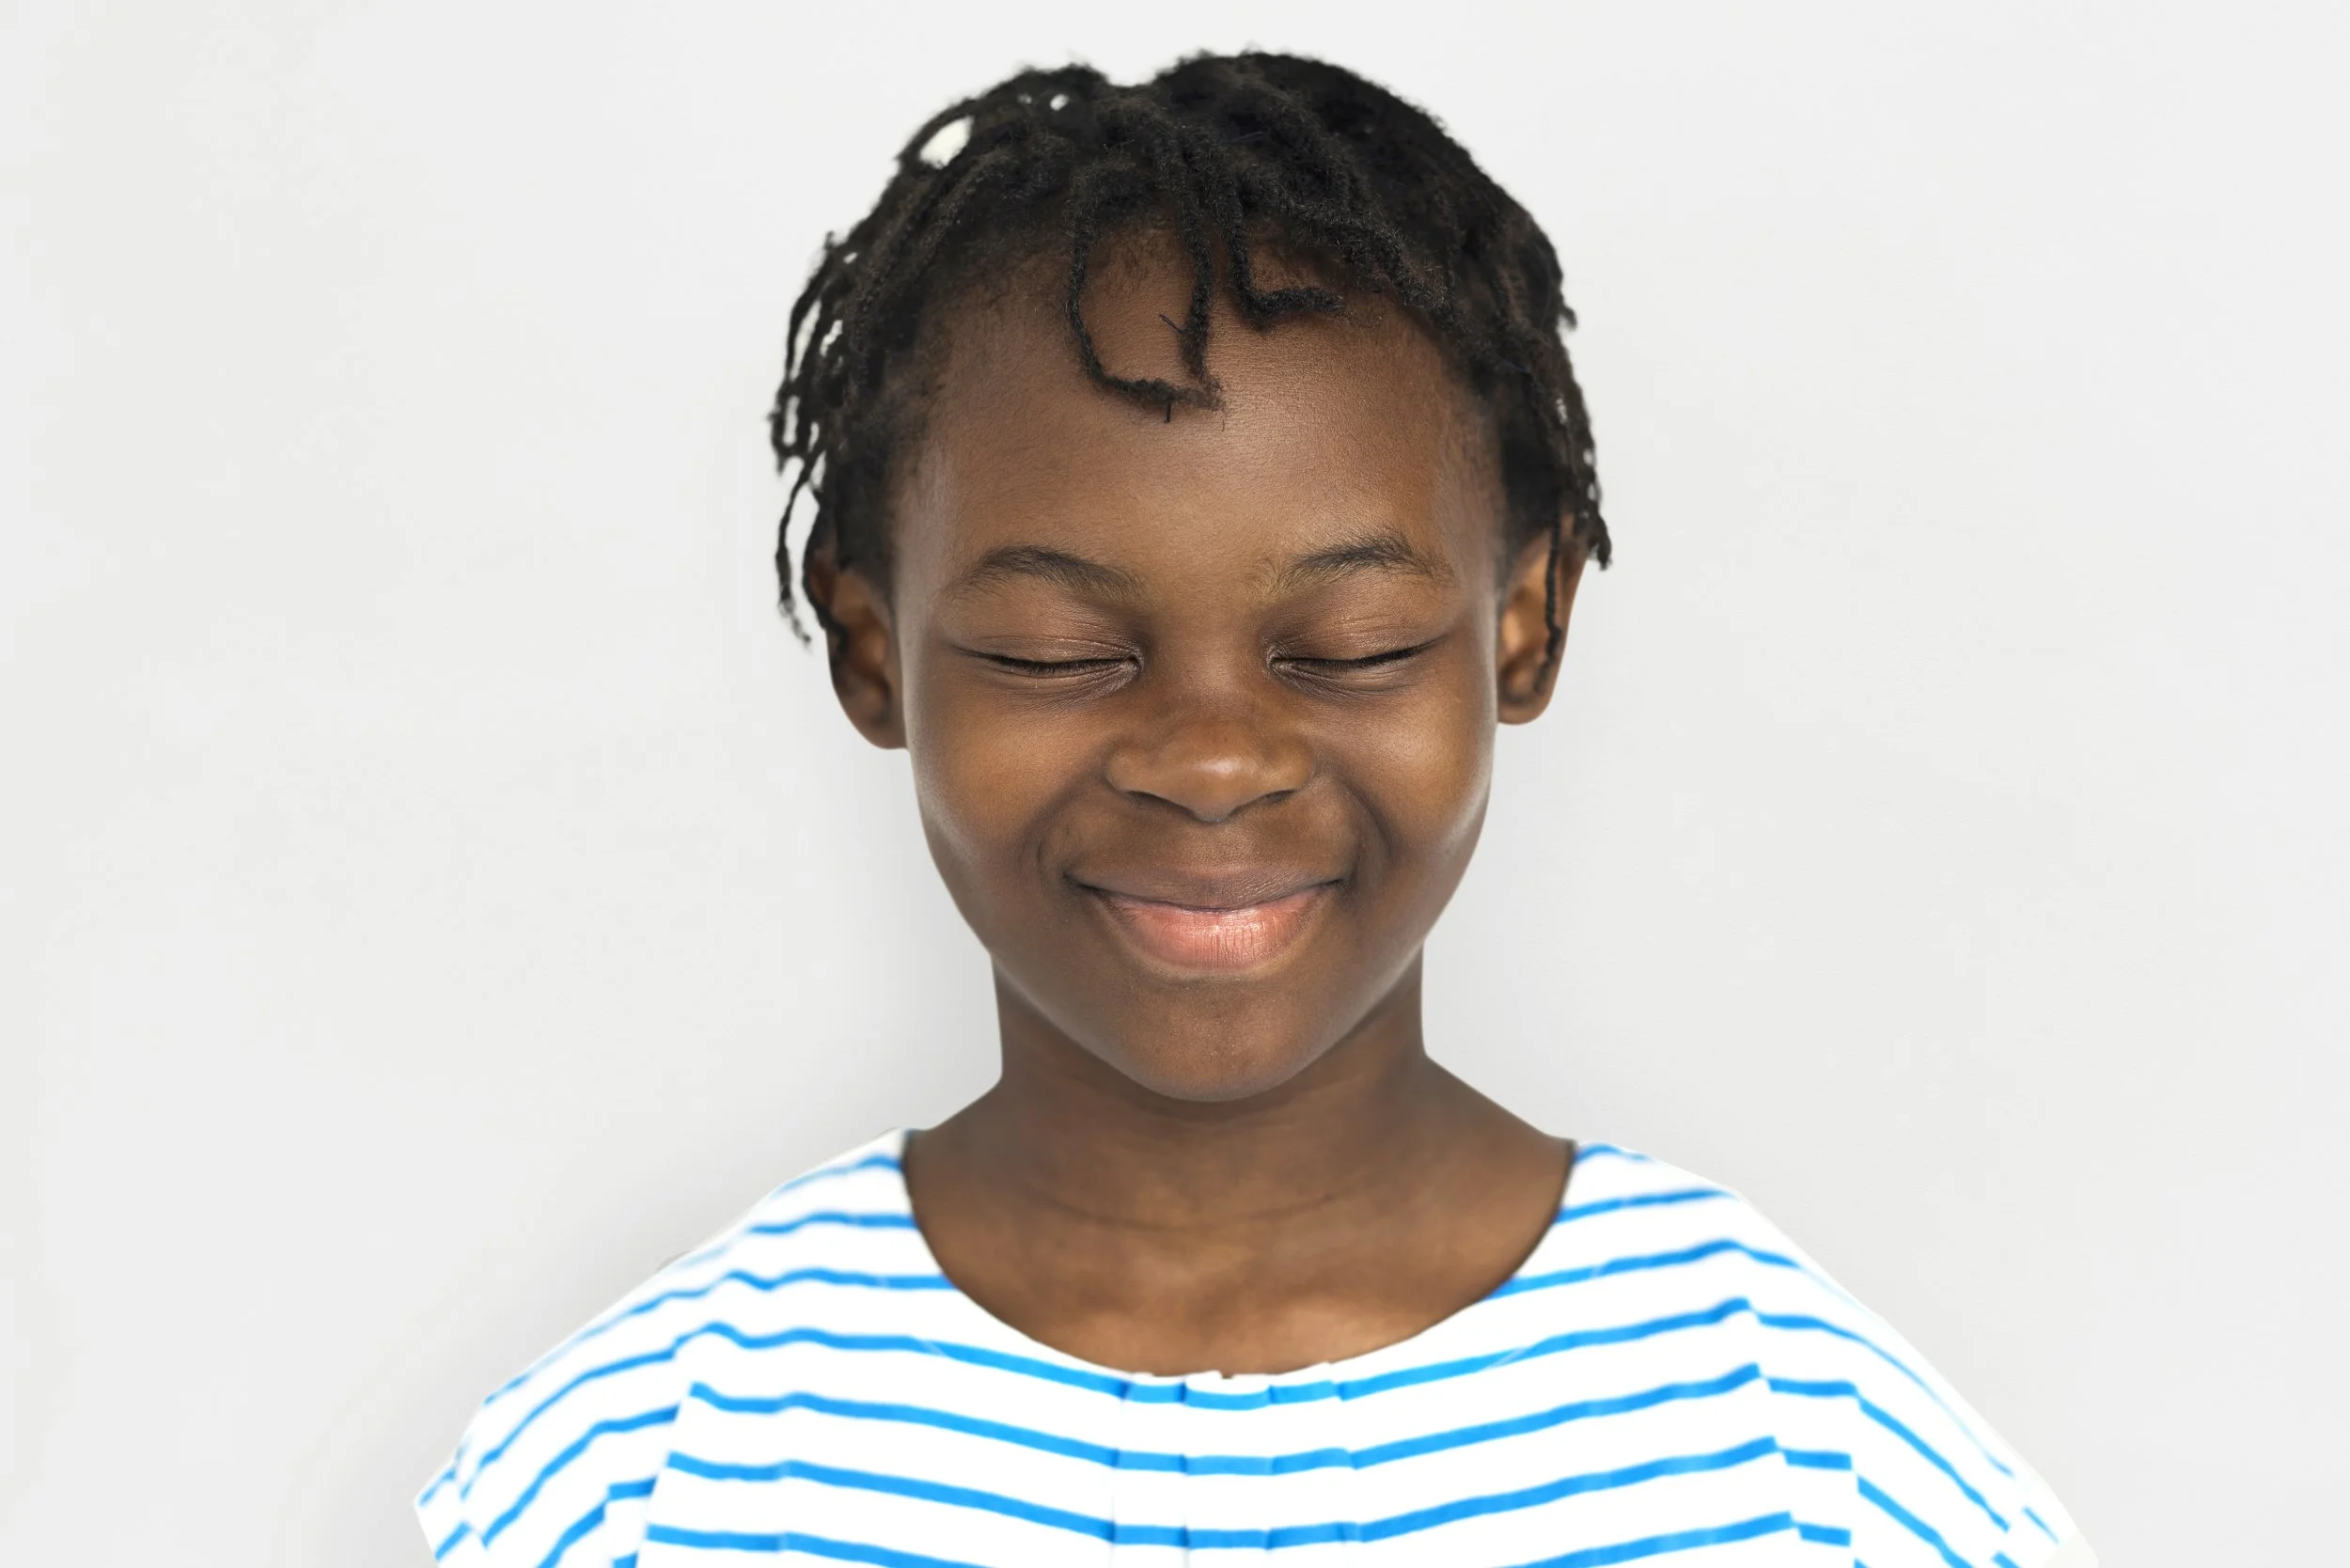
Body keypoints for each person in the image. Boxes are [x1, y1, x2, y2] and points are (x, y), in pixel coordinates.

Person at [415, 52, 2092, 1568]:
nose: (1211, 758)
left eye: (1351, 647)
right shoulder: (628, 1482)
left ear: (1527, 626)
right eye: (1055, 650)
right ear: (873, 651)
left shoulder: (1819, 1469)